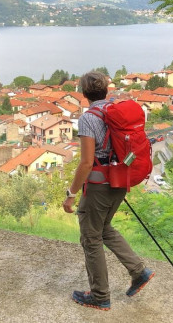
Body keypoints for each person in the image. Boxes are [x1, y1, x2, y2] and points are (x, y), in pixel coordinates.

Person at [63, 71, 154, 311]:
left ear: (84, 93)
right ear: (106, 90)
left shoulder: (89, 118)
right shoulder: (116, 112)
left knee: (91, 238)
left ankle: (99, 295)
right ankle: (139, 271)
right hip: (120, 181)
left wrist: (71, 194)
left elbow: (86, 162)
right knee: (104, 229)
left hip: (99, 186)